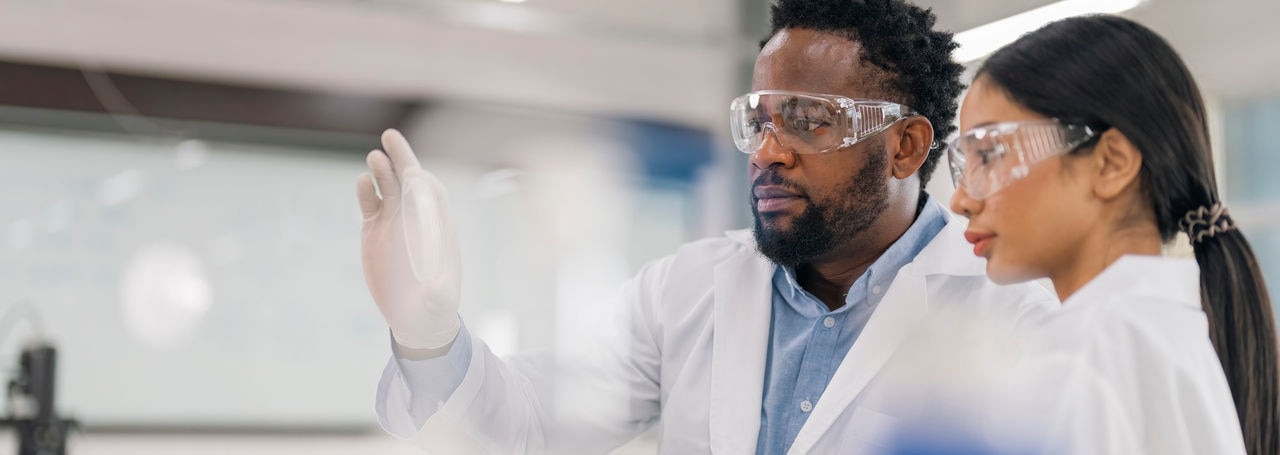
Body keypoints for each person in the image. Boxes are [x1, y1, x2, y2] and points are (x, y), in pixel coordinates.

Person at [359, 0, 1055, 453]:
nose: (767, 151)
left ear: (904, 146)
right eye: (758, 120)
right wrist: (428, 338)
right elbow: (533, 423)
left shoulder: (1015, 311)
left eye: (808, 121)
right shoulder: (686, 290)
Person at [948, 14, 1278, 455]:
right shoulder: (1166, 334)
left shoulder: (1083, 352)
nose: (961, 200)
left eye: (989, 155)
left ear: (1111, 163)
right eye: (963, 164)